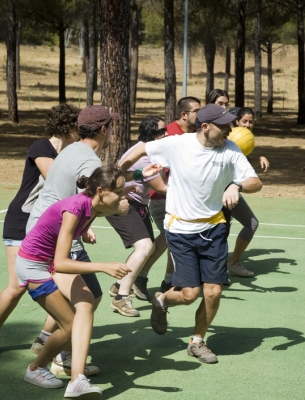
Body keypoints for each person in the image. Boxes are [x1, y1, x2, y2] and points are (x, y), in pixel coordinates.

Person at [119, 104, 262, 364]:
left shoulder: (230, 149)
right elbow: (141, 148)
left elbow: (256, 182)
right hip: (180, 229)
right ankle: (161, 300)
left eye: (231, 125)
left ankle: (197, 341)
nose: (230, 130)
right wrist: (125, 172)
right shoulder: (177, 144)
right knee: (189, 294)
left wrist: (236, 185)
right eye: (224, 126)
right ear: (205, 127)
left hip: (214, 228)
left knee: (213, 292)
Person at [17, 166, 131, 400]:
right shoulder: (75, 209)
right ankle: (35, 369)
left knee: (86, 301)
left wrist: (85, 231)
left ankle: (77, 380)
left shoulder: (94, 206)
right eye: (118, 191)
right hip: (33, 265)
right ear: (100, 191)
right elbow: (61, 263)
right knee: (68, 324)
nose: (122, 196)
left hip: (48, 261)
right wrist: (104, 266)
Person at [0, 104, 80, 359]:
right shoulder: (41, 148)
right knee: (17, 286)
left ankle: (44, 338)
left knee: (64, 284)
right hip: (20, 222)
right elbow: (57, 182)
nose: (82, 132)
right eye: (78, 127)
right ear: (68, 127)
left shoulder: (71, 155)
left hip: (48, 226)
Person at [107, 116, 167, 316]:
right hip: (122, 203)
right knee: (145, 247)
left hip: (138, 204)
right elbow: (162, 187)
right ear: (151, 134)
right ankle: (121, 297)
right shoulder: (146, 155)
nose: (166, 134)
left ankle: (118, 284)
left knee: (147, 249)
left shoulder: (149, 150)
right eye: (161, 131)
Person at [145, 96, 202, 292]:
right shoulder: (168, 134)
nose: (200, 114)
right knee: (169, 240)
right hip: (162, 198)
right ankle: (134, 279)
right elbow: (153, 166)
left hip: (183, 200)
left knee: (173, 241)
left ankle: (168, 282)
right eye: (197, 111)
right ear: (184, 115)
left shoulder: (197, 134)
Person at [226, 107, 270, 277]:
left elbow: (241, 160)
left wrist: (258, 158)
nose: (248, 124)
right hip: (220, 189)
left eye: (251, 122)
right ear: (237, 121)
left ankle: (233, 262)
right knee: (219, 230)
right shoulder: (229, 136)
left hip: (233, 187)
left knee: (251, 223)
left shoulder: (244, 139)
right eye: (245, 121)